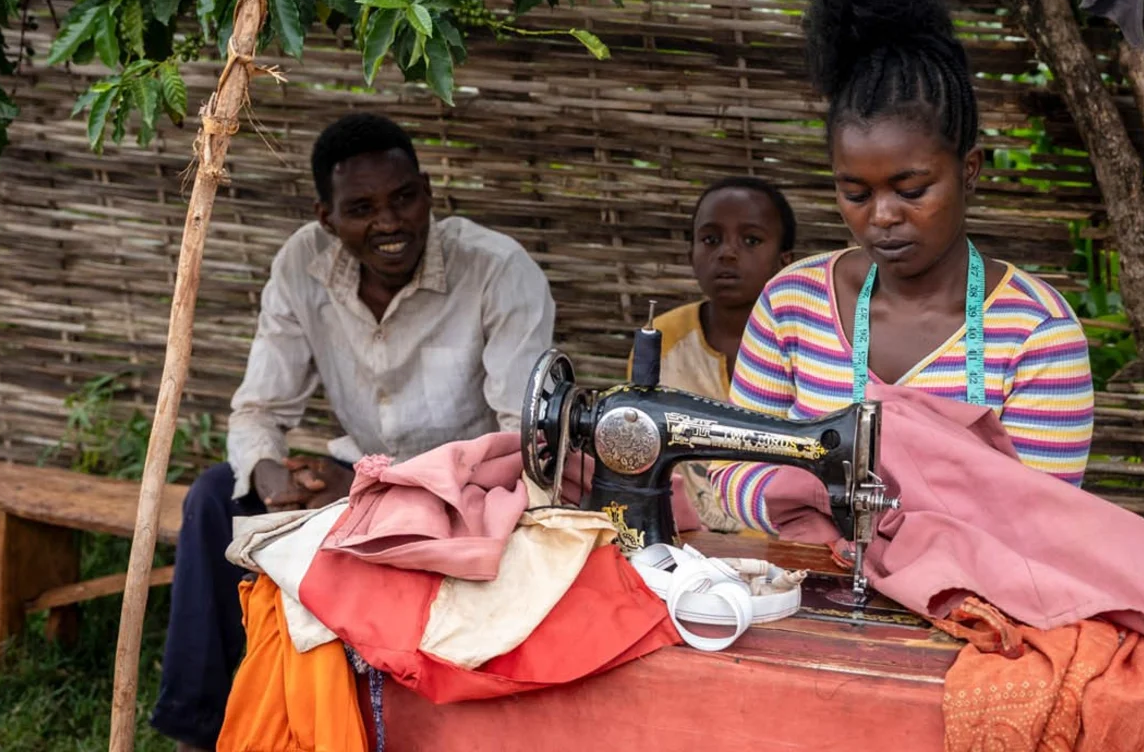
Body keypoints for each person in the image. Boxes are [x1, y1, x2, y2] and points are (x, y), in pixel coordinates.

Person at [151, 113, 556, 752]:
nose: (389, 223)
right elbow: (259, 408)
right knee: (212, 501)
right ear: (326, 217)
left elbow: (521, 441)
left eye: (403, 199)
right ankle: (196, 732)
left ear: (427, 192)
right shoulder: (301, 267)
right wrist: (271, 474)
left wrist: (380, 486)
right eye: (361, 208)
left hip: (463, 494)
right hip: (352, 481)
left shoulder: (497, 271)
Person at [711, 0, 1094, 535]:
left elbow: (1040, 521)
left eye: (912, 190)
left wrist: (831, 501)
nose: (883, 216)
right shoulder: (791, 304)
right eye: (855, 193)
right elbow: (730, 471)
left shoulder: (1036, 332)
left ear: (969, 170)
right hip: (813, 588)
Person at [628, 176, 796, 532]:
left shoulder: (805, 344)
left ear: (785, 261)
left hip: (784, 543)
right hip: (684, 543)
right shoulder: (663, 341)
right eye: (710, 239)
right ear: (691, 254)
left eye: (751, 240)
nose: (727, 252)